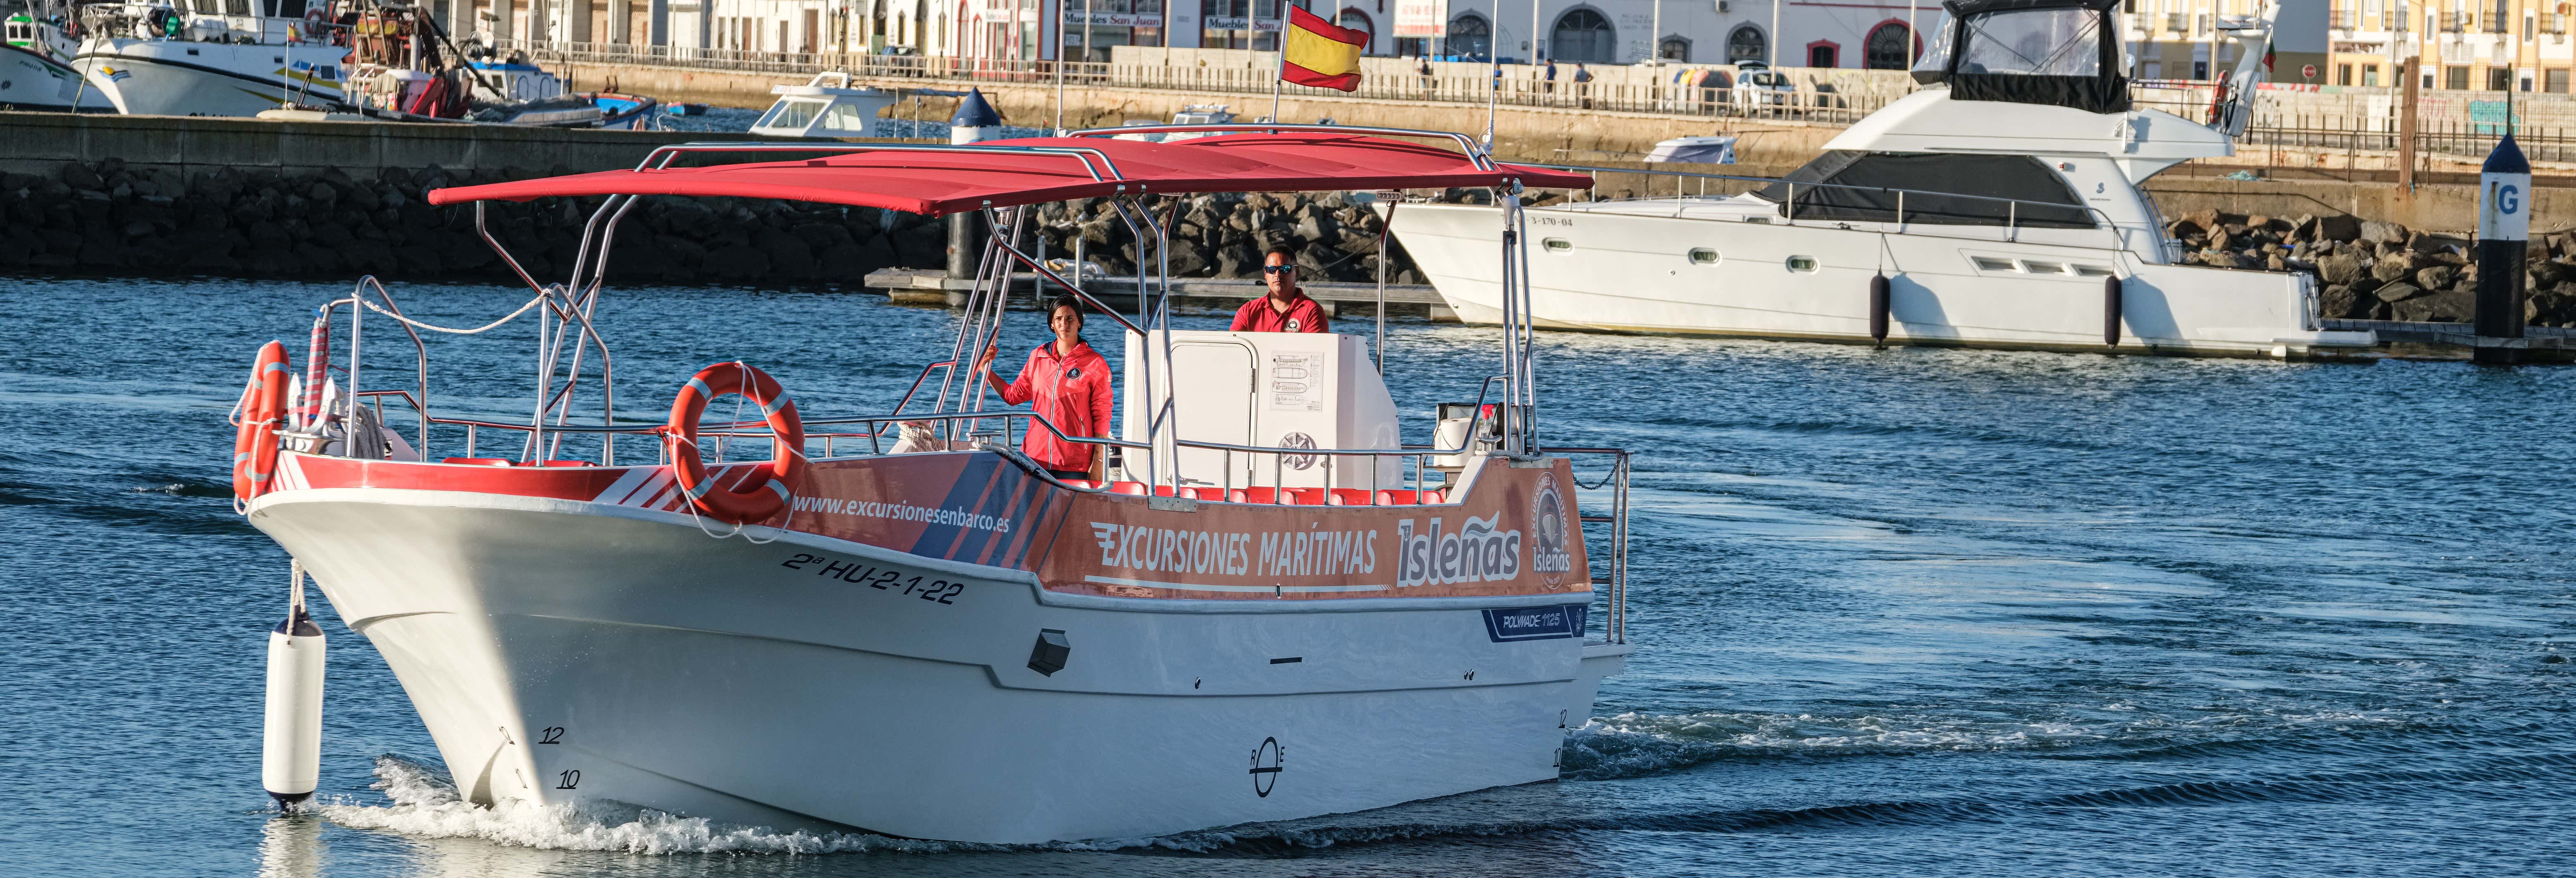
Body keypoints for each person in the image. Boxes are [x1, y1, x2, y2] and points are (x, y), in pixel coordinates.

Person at [978, 295, 1114, 481]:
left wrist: (1098, 461)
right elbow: (1013, 396)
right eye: (1058, 319)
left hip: (1074, 461)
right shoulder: (1038, 357)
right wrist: (985, 369)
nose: (1064, 324)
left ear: (1079, 323)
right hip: (1035, 459)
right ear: (1052, 324)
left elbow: (1102, 416)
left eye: (1070, 319)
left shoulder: (1095, 364)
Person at [1229, 245, 1330, 333]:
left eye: (1285, 269)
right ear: (1265, 274)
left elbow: (1316, 353)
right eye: (1271, 270)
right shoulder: (1247, 311)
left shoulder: (1312, 312)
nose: (1278, 275)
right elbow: (1234, 348)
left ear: (1297, 272)